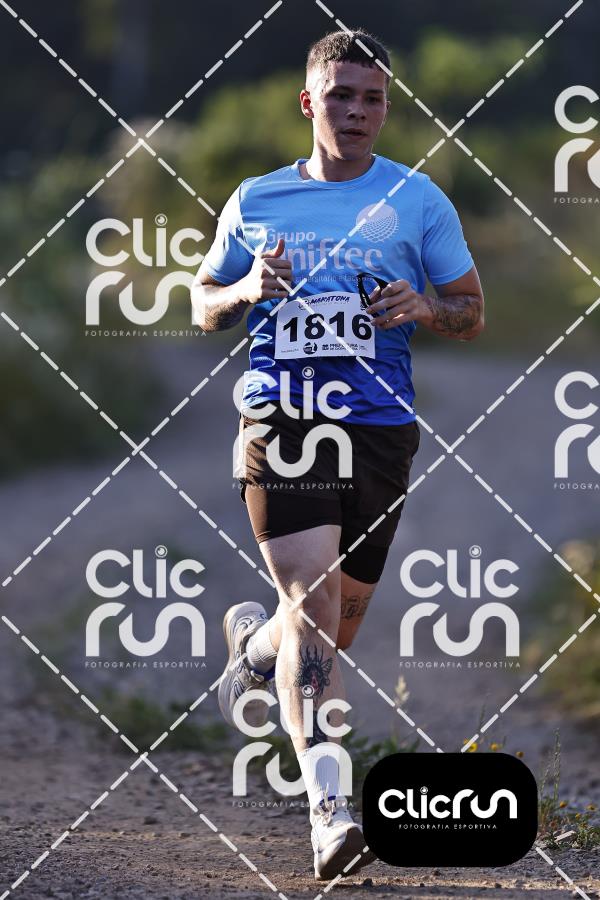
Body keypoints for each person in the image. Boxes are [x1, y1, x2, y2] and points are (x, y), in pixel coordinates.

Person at [191, 28, 484, 881]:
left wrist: (423, 308)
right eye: (342, 96)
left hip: (380, 430)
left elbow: (471, 310)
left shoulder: (418, 200)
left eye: (373, 99)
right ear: (308, 102)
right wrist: (247, 289)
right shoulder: (257, 198)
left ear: (386, 108)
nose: (357, 112)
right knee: (314, 608)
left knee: (332, 627)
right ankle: (332, 813)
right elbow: (202, 303)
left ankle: (256, 650)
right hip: (281, 421)